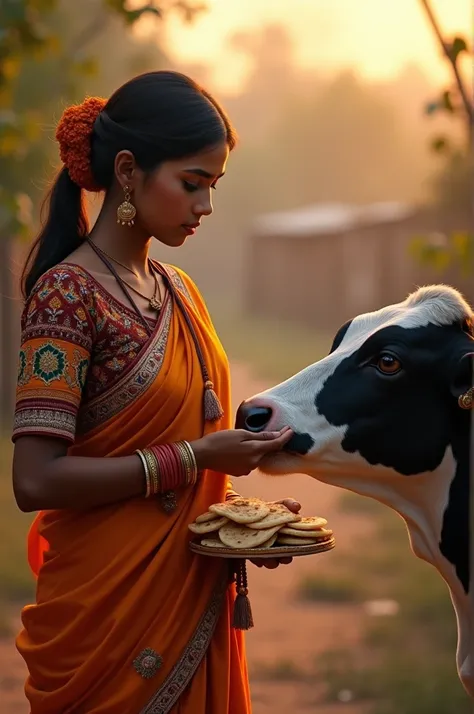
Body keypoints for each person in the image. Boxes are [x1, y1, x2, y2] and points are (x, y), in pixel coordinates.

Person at [11, 70, 299, 714]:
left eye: (213, 186)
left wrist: (247, 531)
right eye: (192, 183)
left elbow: (196, 453)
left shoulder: (180, 292)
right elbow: (34, 480)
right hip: (106, 621)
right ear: (128, 171)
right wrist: (197, 460)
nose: (205, 206)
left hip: (190, 596)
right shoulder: (67, 295)